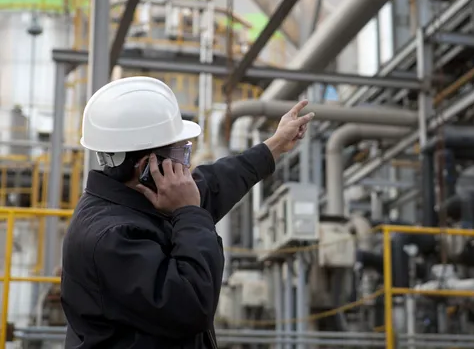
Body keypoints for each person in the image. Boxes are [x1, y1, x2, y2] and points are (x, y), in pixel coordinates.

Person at [60, 76, 315, 349]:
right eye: (180, 152)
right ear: (148, 165)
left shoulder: (139, 200)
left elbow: (214, 183)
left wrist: (274, 145)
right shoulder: (112, 238)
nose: (186, 163)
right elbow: (192, 305)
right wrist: (189, 212)